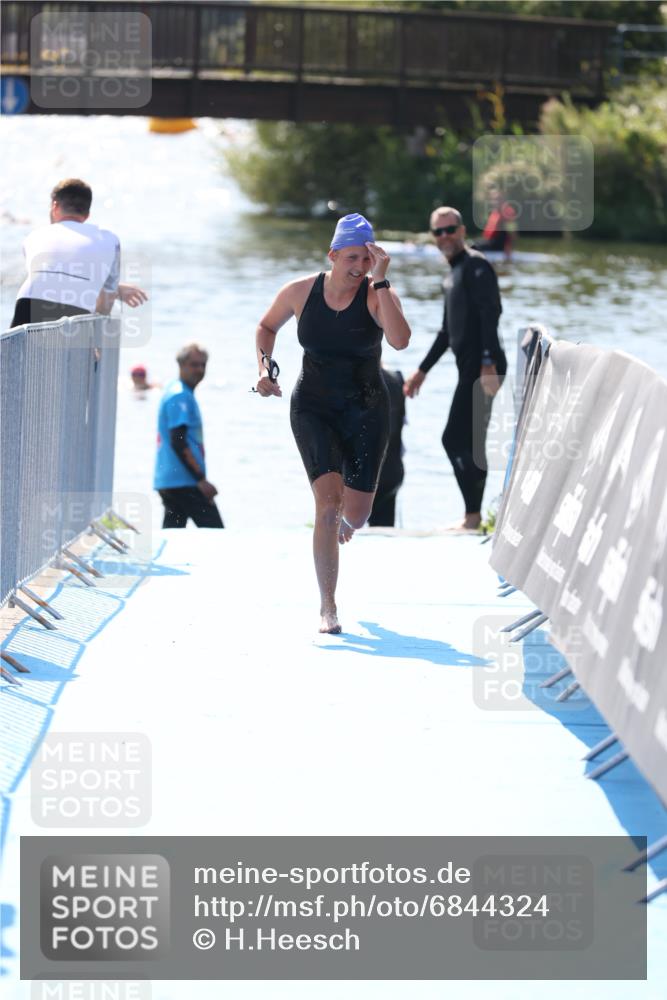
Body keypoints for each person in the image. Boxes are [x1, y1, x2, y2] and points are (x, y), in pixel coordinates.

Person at [254, 213, 411, 634]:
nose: (359, 267)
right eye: (352, 259)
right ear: (333, 255)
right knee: (327, 503)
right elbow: (267, 326)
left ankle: (346, 521)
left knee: (357, 514)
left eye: (367, 258)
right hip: (314, 408)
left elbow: (399, 340)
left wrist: (382, 280)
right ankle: (328, 606)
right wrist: (266, 369)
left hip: (366, 409)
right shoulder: (301, 292)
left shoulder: (376, 293)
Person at [404, 206, 507, 531]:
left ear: (462, 230)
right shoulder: (452, 273)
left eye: (450, 229)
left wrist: (488, 363)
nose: (445, 236)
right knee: (467, 441)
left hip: (483, 368)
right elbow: (447, 332)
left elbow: (491, 315)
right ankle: (474, 517)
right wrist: (422, 370)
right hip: (470, 369)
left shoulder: (477, 267)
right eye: (439, 232)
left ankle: (473, 517)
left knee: (456, 440)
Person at [11, 178, 147, 328]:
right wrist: (96, 337)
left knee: (19, 351)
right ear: (87, 214)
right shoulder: (110, 239)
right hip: (78, 310)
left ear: (54, 206)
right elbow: (106, 301)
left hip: (28, 305)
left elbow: (52, 275)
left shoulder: (34, 236)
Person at [153, 343, 224, 529]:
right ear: (181, 365)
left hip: (170, 480)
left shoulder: (174, 389)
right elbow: (178, 440)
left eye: (203, 365)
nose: (199, 369)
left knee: (172, 533)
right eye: (194, 364)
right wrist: (200, 479)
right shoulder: (180, 396)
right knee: (215, 533)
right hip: (185, 482)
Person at [368, 367, 406, 527]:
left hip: (363, 475)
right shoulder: (396, 378)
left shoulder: (351, 377)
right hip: (393, 472)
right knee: (383, 531)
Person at [471, 186, 517, 258]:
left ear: (503, 200)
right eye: (493, 200)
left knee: (473, 246)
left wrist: (508, 248)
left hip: (498, 245)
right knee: (471, 243)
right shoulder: (495, 212)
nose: (494, 202)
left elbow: (512, 233)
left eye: (497, 199)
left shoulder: (507, 212)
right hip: (490, 242)